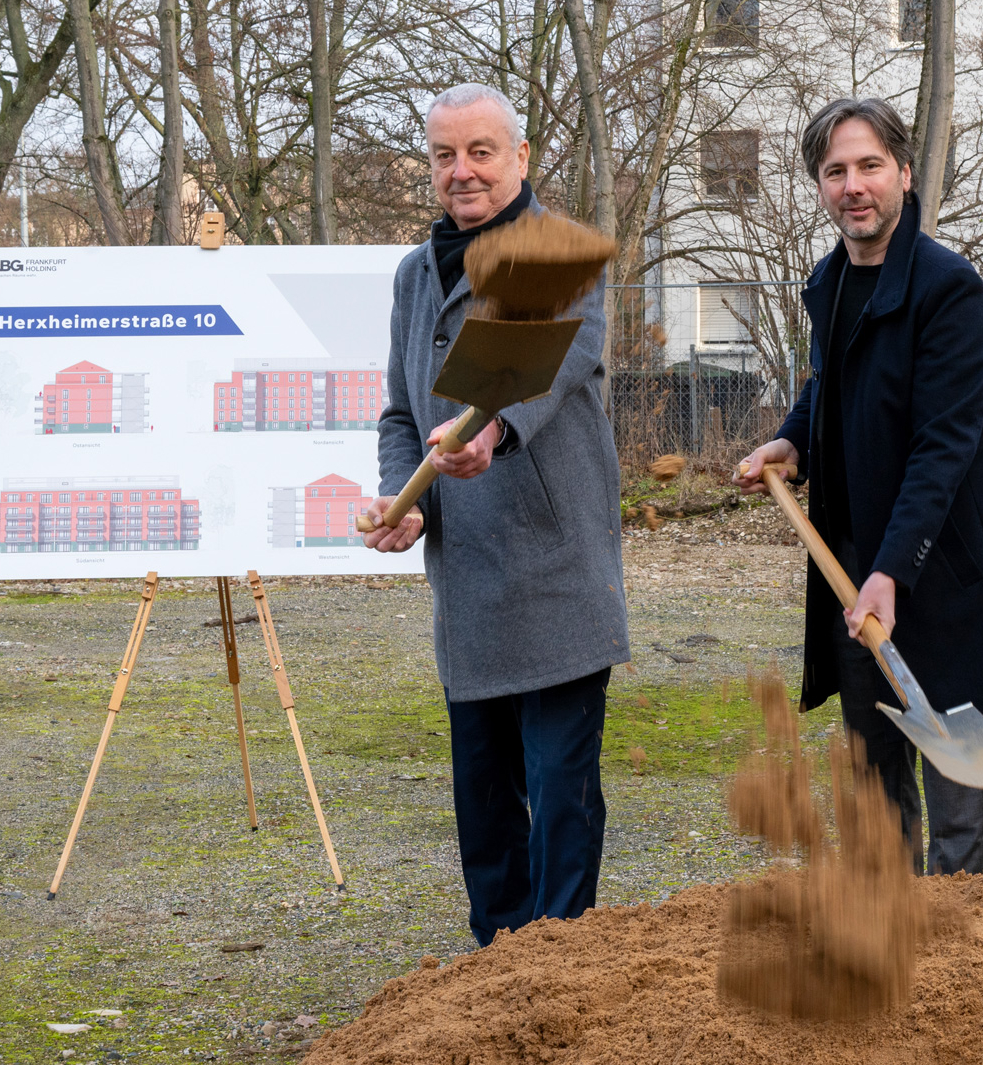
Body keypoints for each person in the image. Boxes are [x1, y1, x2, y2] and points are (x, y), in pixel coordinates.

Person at [733, 98, 983, 876]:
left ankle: (957, 920)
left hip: (935, 566)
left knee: (953, 787)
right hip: (852, 561)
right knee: (874, 774)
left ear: (904, 172)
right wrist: (792, 440)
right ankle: (890, 923)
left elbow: (945, 446)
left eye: (870, 165)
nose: (853, 186)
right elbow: (830, 385)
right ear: (819, 186)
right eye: (835, 171)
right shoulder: (831, 282)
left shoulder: (947, 288)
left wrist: (892, 570)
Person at [363, 83, 629, 946]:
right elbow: (402, 413)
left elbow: (544, 374)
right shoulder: (415, 274)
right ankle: (496, 973)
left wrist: (494, 431)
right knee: (485, 811)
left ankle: (560, 969)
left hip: (555, 577)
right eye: (444, 155)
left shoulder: (556, 256)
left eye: (481, 151)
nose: (462, 171)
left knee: (559, 801)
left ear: (521, 157)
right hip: (469, 588)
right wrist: (404, 499)